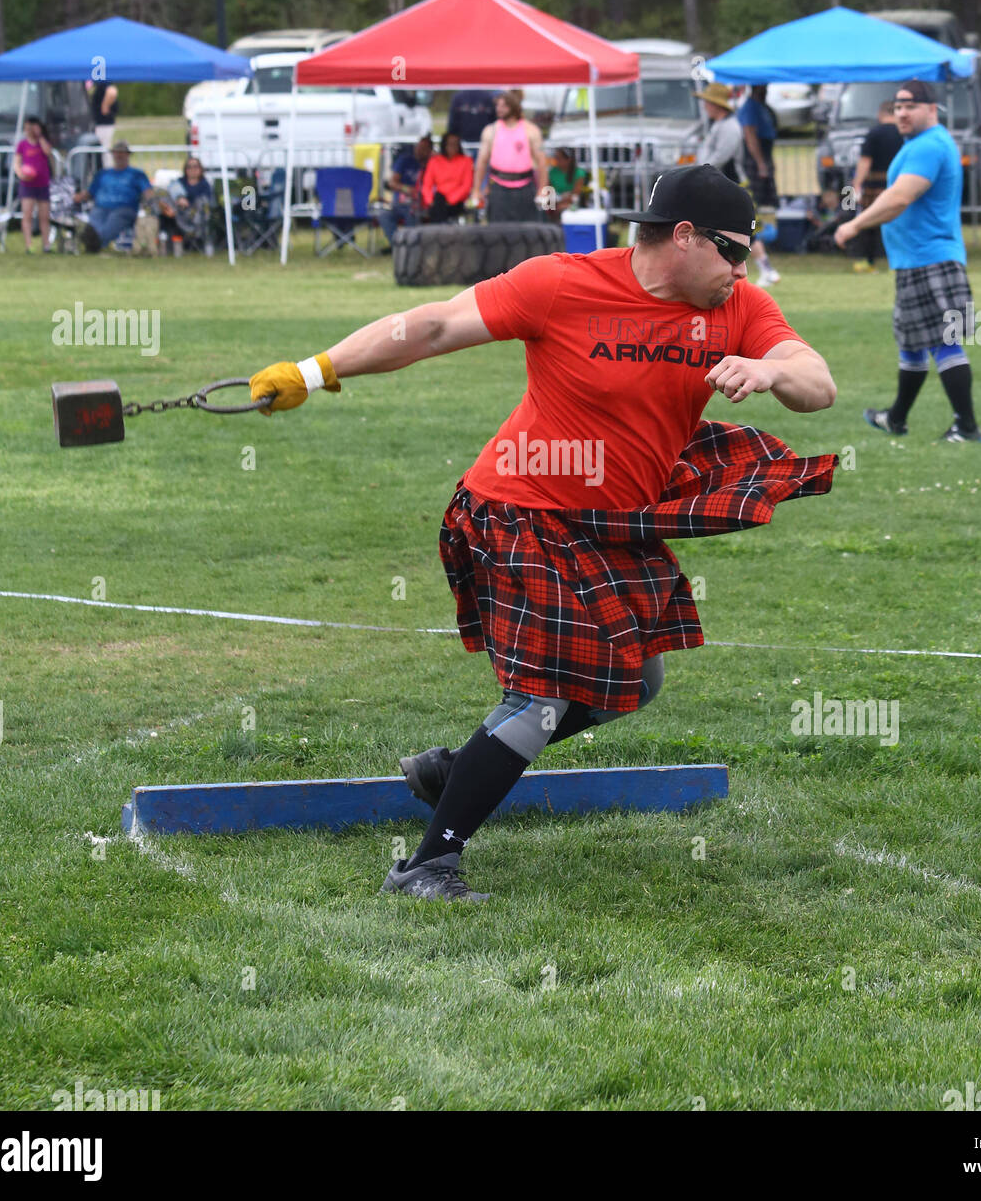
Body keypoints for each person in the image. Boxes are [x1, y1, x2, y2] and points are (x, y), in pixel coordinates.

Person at [248, 165, 837, 902]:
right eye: (732, 250)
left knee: (635, 683)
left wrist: (768, 368)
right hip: (517, 510)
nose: (741, 268)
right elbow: (430, 326)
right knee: (544, 698)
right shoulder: (559, 283)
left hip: (605, 523)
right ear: (682, 237)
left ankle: (450, 771)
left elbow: (816, 383)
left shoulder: (737, 306)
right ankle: (426, 865)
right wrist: (313, 370)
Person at [835, 79, 981, 442]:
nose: (901, 112)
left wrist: (854, 224)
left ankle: (967, 427)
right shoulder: (918, 144)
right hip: (914, 260)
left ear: (931, 109)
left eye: (910, 106)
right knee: (912, 341)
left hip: (931, 258)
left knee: (944, 342)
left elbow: (900, 197)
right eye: (898, 106)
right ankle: (895, 418)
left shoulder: (930, 145)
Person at [694, 82, 780, 288]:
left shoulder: (730, 127)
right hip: (721, 186)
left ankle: (766, 269)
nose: (704, 105)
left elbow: (721, 156)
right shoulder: (719, 125)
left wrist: (700, 170)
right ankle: (763, 269)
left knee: (748, 229)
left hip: (734, 186)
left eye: (707, 101)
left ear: (716, 104)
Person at [470, 91, 547, 223]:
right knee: (498, 231)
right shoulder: (490, 131)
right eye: (497, 105)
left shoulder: (531, 130)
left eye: (503, 106)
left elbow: (542, 163)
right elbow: (481, 163)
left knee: (527, 231)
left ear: (513, 107)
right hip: (498, 188)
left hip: (525, 187)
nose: (498, 109)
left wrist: (543, 190)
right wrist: (477, 190)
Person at [849, 100, 902, 271]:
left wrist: (857, 184)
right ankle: (899, 259)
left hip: (875, 184)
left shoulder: (874, 133)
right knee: (900, 223)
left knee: (869, 223)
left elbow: (865, 161)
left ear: (881, 114)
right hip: (900, 184)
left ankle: (867, 260)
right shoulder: (904, 134)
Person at [74, 140, 151, 253]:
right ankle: (93, 240)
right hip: (101, 207)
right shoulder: (103, 174)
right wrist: (76, 197)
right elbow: (90, 192)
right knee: (95, 219)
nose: (119, 155)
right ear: (113, 154)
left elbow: (148, 192)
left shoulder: (136, 174)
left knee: (113, 220)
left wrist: (153, 201)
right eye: (116, 152)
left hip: (124, 208)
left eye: (122, 152)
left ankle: (94, 242)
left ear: (127, 155)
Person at [377, 135, 432, 251]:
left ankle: (411, 247)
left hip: (420, 204)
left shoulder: (432, 164)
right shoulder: (405, 160)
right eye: (419, 147)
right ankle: (397, 246)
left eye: (424, 148)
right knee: (384, 215)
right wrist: (407, 189)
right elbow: (392, 183)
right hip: (401, 203)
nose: (420, 150)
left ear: (430, 150)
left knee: (412, 213)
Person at [15, 115, 54, 254]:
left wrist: (40, 136)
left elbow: (48, 152)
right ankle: (29, 245)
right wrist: (21, 174)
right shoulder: (22, 144)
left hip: (43, 183)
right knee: (27, 215)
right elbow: (17, 162)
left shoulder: (43, 142)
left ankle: (46, 244)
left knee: (44, 216)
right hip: (28, 185)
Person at [159, 156, 213, 251]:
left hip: (196, 218)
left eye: (195, 166)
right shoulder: (179, 182)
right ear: (185, 169)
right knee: (161, 194)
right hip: (176, 213)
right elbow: (169, 193)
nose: (192, 169)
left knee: (201, 203)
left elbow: (205, 202)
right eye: (189, 167)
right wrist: (180, 197)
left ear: (200, 169)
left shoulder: (204, 185)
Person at [738, 83, 777, 209]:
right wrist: (761, 164)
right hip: (755, 157)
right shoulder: (750, 107)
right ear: (758, 88)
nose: (766, 90)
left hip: (764, 153)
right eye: (764, 87)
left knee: (768, 198)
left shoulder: (761, 106)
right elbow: (750, 136)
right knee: (758, 199)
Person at [420, 132, 474, 223]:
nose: (453, 147)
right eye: (450, 144)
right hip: (438, 200)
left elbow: (467, 185)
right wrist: (430, 201)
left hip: (457, 201)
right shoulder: (435, 161)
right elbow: (427, 185)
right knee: (438, 202)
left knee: (440, 209)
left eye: (455, 144)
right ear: (444, 145)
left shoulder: (466, 161)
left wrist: (451, 200)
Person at [545, 146, 589, 219]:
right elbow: (549, 192)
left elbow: (575, 195)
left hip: (573, 204)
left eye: (559, 158)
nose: (556, 160)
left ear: (568, 160)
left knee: (564, 208)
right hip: (555, 204)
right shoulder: (552, 172)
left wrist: (560, 204)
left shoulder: (579, 173)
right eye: (556, 157)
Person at [85, 78, 120, 167]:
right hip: (100, 122)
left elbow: (112, 91)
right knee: (102, 150)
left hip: (104, 123)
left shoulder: (103, 81)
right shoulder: (99, 81)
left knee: (104, 150)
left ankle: (107, 170)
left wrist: (105, 106)